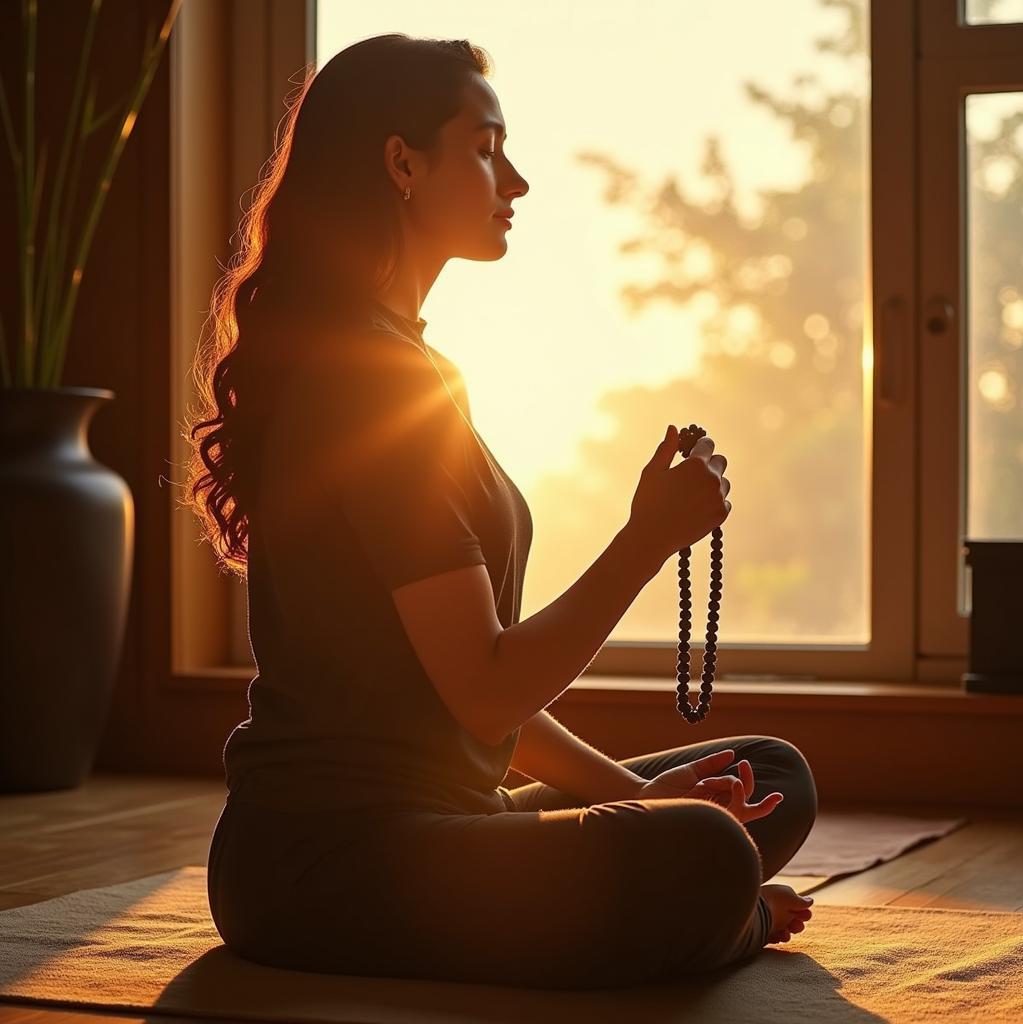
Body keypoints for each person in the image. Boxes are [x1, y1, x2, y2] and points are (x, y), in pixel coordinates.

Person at [187, 33, 818, 991]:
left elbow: (476, 709)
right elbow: (487, 691)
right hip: (325, 864)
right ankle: (722, 915)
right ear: (403, 163)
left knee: (772, 776)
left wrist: (638, 791)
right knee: (706, 855)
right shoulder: (366, 383)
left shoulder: (418, 368)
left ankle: (683, 880)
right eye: (486, 148)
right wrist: (648, 538)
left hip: (453, 817)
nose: (514, 179)